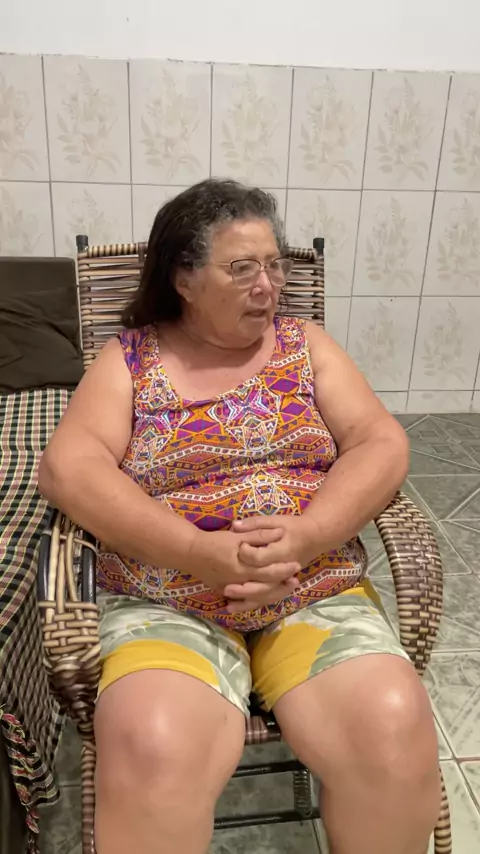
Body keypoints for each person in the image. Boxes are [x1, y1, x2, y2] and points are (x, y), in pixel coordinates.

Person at [39, 179, 440, 854]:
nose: (268, 286)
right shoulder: (130, 359)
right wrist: (199, 554)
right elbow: (68, 468)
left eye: (275, 266)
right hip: (167, 595)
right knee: (151, 744)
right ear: (185, 279)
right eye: (242, 267)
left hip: (310, 585)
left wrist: (309, 535)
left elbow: (381, 442)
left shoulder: (304, 345)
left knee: (392, 725)